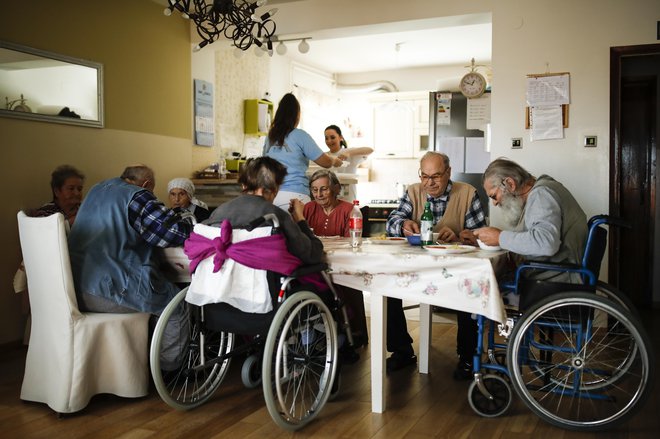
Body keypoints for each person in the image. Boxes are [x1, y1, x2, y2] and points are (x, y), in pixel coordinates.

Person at [68, 165, 194, 369]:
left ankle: (143, 361)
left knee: (157, 291)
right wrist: (196, 229)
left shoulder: (96, 189)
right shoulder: (139, 196)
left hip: (74, 287)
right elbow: (171, 234)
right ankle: (168, 371)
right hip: (107, 290)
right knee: (176, 304)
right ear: (146, 185)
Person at [385, 151, 487, 377]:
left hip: (454, 270)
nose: (429, 183)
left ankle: (468, 356)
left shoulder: (468, 193)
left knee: (471, 286)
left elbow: (480, 235)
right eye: (424, 176)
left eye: (436, 176)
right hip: (417, 267)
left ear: (449, 173)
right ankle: (402, 350)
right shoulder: (413, 191)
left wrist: (461, 234)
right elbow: (391, 221)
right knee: (386, 286)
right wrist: (403, 225)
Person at [473, 158, 588, 285]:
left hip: (557, 278)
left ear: (510, 184)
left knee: (486, 283)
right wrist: (489, 239)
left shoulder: (541, 195)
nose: (494, 203)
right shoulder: (539, 193)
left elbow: (546, 243)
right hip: (553, 272)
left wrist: (500, 237)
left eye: (494, 196)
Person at [14, 164, 85, 344]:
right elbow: (44, 242)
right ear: (57, 190)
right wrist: (70, 223)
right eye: (71, 188)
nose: (76, 193)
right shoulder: (45, 212)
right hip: (52, 269)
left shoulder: (85, 209)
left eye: (79, 189)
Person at [207, 157, 323, 264]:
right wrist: (300, 218)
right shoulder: (275, 217)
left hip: (223, 282)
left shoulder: (218, 213)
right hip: (264, 284)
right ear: (275, 188)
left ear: (243, 185)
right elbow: (312, 254)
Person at [303, 169, 368, 347]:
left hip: (342, 264)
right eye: (315, 190)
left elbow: (351, 242)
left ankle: (352, 333)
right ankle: (316, 330)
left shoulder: (349, 210)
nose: (319, 194)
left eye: (323, 189)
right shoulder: (308, 208)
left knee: (346, 283)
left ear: (336, 188)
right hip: (316, 263)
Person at [263, 93, 343, 211]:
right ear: (297, 115)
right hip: (296, 196)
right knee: (300, 229)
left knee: (277, 229)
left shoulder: (270, 137)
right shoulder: (300, 135)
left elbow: (264, 163)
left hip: (271, 196)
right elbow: (325, 162)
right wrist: (334, 160)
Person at [323, 124, 373, 201]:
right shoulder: (325, 156)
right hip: (330, 200)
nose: (329, 141)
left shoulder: (348, 153)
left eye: (332, 137)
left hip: (348, 200)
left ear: (340, 137)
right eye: (326, 138)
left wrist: (349, 153)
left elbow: (370, 150)